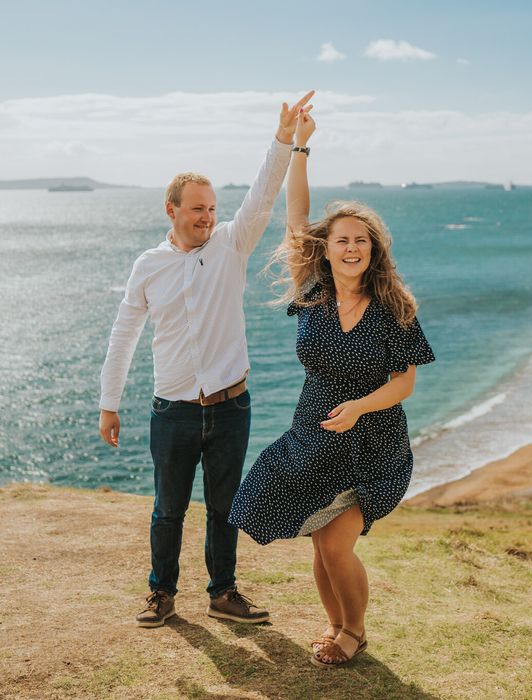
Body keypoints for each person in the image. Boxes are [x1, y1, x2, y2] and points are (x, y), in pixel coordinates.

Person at [98, 90, 314, 628]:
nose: (207, 217)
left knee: (224, 509)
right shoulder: (148, 266)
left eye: (212, 208)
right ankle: (161, 594)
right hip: (171, 411)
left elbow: (262, 197)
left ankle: (223, 593)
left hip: (229, 407)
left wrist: (283, 139)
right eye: (197, 209)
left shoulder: (230, 246)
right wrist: (109, 404)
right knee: (167, 510)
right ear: (171, 210)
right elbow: (123, 334)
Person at [228, 108, 435, 667]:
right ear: (327, 247)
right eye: (341, 240)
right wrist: (299, 147)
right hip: (314, 436)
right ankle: (336, 624)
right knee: (319, 543)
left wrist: (360, 407)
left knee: (337, 543)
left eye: (361, 242)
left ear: (374, 250)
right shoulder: (313, 288)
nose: (351, 248)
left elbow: (407, 382)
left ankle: (355, 632)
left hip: (374, 442)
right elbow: (296, 214)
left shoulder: (394, 307)